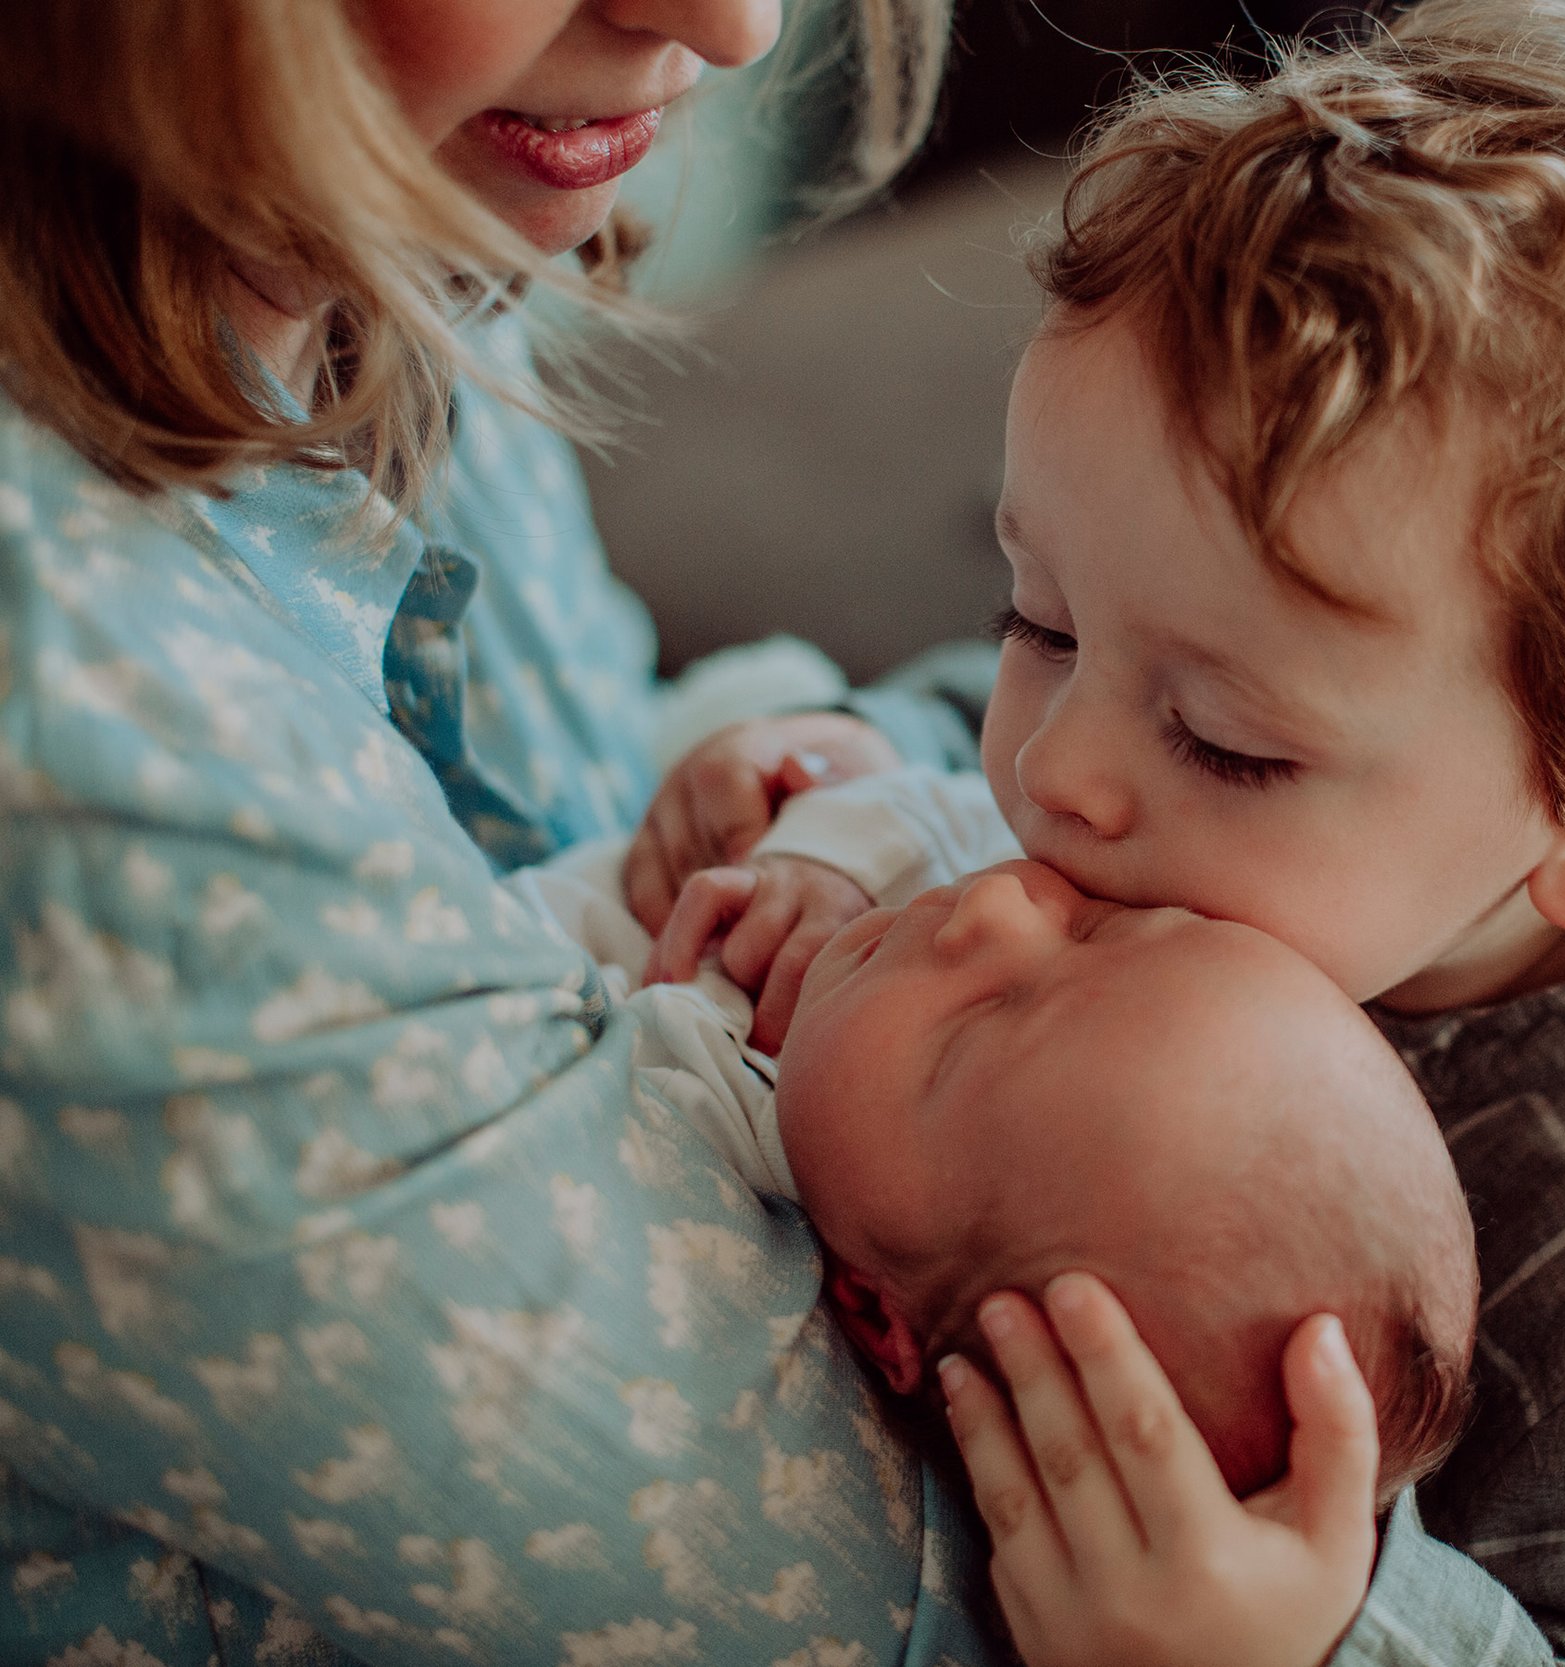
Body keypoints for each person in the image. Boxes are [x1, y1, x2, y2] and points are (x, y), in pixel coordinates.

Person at [635, 2, 1565, 1662]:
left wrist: (1328, 1631)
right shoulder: (1198, 791)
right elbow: (988, 726)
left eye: (1226, 741)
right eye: (1040, 614)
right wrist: (835, 785)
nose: (1054, 774)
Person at [0, 2, 1101, 1661]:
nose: (736, 26)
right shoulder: (75, 732)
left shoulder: (371, 229)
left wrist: (790, 770)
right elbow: (901, 1609)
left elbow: (566, 801)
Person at [511, 794, 1478, 1506]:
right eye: (1108, 924)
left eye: (975, 1028)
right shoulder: (876, 990)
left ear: (871, 1310)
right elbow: (934, 795)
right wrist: (825, 849)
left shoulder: (686, 1148)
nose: (993, 910)